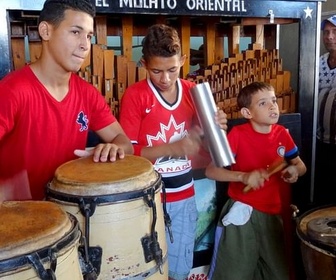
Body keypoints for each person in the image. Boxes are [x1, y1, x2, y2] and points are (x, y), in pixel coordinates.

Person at [119, 24, 228, 280]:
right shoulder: (135, 96)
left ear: (183, 60)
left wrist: (215, 127)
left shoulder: (193, 92)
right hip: (146, 201)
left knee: (179, 271)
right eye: (156, 70)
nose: (165, 79)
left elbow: (211, 147)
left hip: (184, 197)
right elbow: (127, 152)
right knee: (145, 269)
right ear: (144, 63)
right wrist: (172, 148)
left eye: (172, 69)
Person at [0, 0, 133, 201]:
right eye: (75, 32)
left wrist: (113, 148)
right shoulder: (13, 91)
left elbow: (125, 143)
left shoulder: (88, 94)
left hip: (71, 217)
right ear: (45, 31)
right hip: (18, 223)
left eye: (89, 36)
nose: (85, 45)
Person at [205, 82, 306, 280]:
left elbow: (300, 165)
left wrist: (294, 170)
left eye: (274, 101)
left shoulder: (283, 135)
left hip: (275, 215)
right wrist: (242, 176)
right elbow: (211, 170)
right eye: (263, 103)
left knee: (278, 273)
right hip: (244, 214)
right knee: (235, 273)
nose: (272, 106)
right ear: (247, 112)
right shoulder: (238, 135)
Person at [315, 15, 336, 205]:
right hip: (320, 141)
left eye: (334, 32)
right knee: (323, 189)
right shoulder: (317, 63)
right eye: (326, 32)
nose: (329, 36)